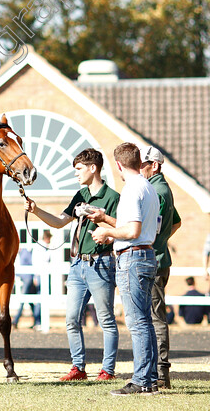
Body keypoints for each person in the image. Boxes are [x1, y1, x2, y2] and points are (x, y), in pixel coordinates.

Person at [25, 148, 120, 382]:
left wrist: (106, 229)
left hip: (102, 264)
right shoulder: (80, 195)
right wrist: (36, 210)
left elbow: (124, 228)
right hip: (77, 265)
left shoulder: (113, 198)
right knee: (71, 319)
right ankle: (78, 368)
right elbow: (59, 222)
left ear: (93, 168)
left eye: (78, 169)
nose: (76, 174)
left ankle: (107, 370)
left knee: (106, 320)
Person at [91, 142, 160, 396]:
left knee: (137, 322)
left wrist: (108, 232)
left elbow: (132, 231)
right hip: (146, 254)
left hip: (132, 258)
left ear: (118, 165)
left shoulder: (131, 189)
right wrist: (110, 225)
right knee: (146, 321)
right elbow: (133, 226)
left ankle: (141, 380)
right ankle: (150, 378)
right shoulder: (148, 187)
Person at [139, 145, 181, 389]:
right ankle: (157, 371)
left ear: (154, 165)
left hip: (152, 261)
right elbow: (176, 222)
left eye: (143, 164)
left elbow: (151, 230)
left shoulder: (156, 191)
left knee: (154, 318)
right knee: (154, 316)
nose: (139, 168)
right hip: (159, 258)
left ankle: (161, 373)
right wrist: (163, 240)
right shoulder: (161, 188)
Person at [13, 246, 40, 329]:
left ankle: (15, 321)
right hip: (24, 279)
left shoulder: (25, 253)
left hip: (28, 279)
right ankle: (37, 321)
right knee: (29, 302)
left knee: (23, 299)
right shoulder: (17, 254)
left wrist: (35, 277)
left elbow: (31, 264)